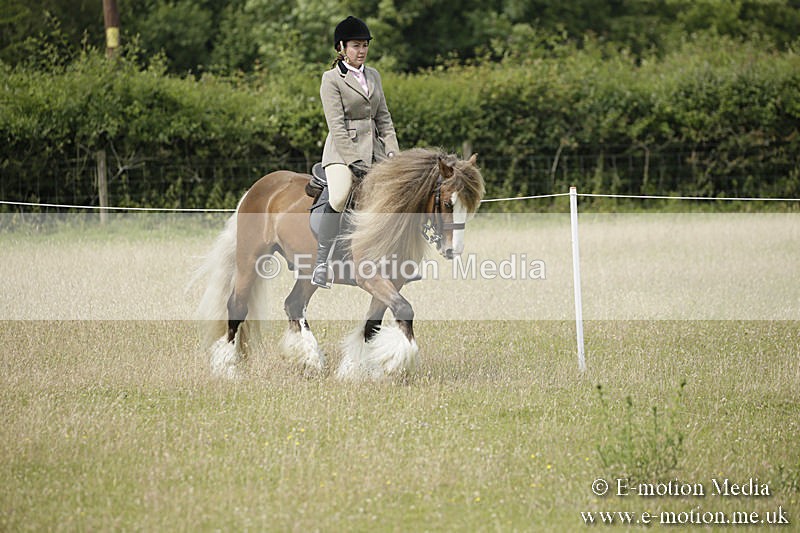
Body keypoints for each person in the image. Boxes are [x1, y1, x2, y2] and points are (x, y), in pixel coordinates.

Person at [312, 15, 400, 288]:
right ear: (341, 47)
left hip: (374, 151)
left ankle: (392, 261)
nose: (361, 51)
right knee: (339, 197)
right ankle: (321, 263)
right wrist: (354, 161)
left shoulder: (373, 75)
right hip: (341, 153)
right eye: (355, 46)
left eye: (364, 45)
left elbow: (384, 119)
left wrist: (393, 152)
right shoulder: (331, 79)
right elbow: (336, 126)